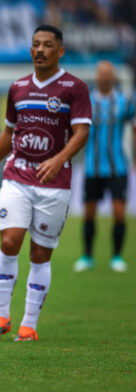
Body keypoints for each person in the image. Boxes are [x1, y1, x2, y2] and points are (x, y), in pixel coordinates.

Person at [0, 25, 92, 342]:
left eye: (46, 45)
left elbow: (82, 132)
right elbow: (8, 133)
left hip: (55, 183)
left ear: (60, 51)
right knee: (9, 242)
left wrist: (58, 159)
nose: (39, 50)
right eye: (35, 45)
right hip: (18, 175)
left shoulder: (75, 88)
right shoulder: (18, 88)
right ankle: (1, 316)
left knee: (40, 255)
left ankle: (29, 325)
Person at [73, 61, 135, 273]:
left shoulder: (124, 102)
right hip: (92, 167)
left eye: (109, 75)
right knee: (89, 213)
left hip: (118, 167)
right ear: (97, 77)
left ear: (114, 77)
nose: (105, 78)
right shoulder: (87, 101)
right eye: (102, 74)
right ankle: (87, 255)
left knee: (119, 213)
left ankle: (116, 256)